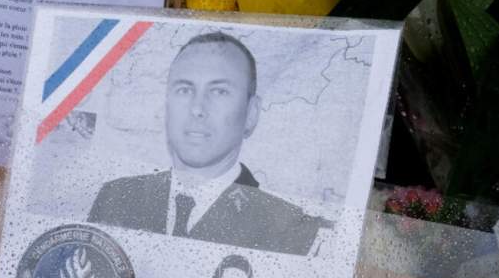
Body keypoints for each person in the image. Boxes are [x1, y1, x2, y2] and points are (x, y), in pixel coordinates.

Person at [87, 31, 327, 256]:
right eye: (184, 90)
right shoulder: (114, 199)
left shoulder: (289, 230)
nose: (197, 108)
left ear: (251, 113)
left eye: (219, 91)